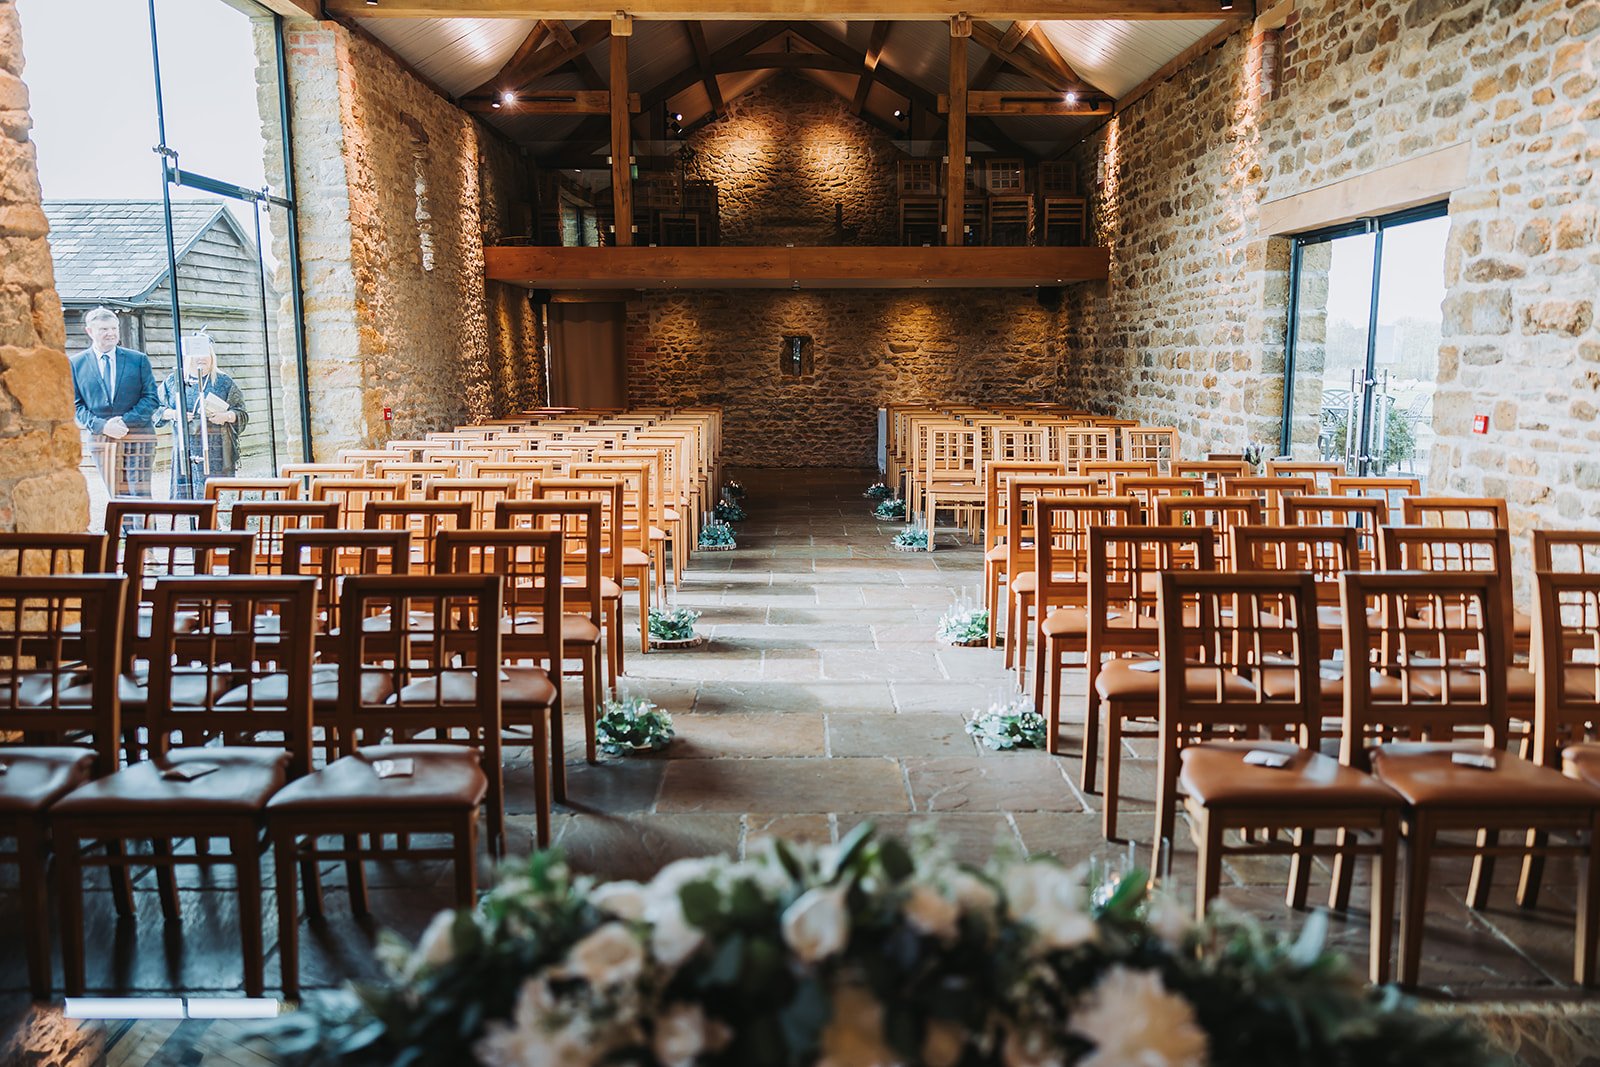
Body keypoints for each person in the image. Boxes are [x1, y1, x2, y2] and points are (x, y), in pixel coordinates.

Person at [70, 306, 160, 498]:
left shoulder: (138, 360)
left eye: (114, 328)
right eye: (104, 329)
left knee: (141, 495)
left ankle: (145, 530)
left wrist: (124, 422)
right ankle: (122, 530)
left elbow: (151, 398)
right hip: (102, 439)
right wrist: (103, 426)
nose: (111, 333)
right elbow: (75, 404)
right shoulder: (75, 364)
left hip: (139, 436)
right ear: (90, 331)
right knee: (118, 496)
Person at [156, 334, 249, 499]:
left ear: (212, 355)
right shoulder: (174, 381)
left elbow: (241, 413)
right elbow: (155, 409)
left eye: (205, 353)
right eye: (197, 353)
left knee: (218, 501)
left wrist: (226, 416)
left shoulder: (223, 382)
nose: (201, 358)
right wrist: (175, 414)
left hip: (217, 449)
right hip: (186, 448)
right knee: (190, 504)